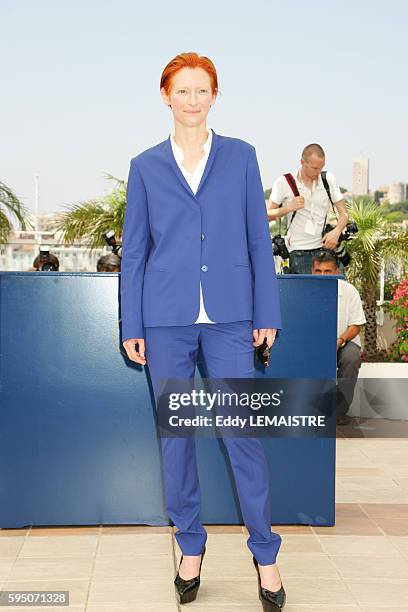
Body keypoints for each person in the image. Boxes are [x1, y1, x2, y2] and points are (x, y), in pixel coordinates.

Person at [120, 52, 286, 610]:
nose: (192, 100)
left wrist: (268, 313)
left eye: (202, 90)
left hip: (231, 318)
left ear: (215, 96)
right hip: (164, 321)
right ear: (165, 96)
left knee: (243, 437)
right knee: (177, 442)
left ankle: (266, 554)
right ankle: (190, 547)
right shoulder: (144, 166)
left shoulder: (242, 158)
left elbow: (258, 241)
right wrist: (132, 322)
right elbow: (135, 251)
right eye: (182, 91)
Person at [268, 144, 349, 274]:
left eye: (321, 167)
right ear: (302, 162)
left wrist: (337, 231)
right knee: (305, 294)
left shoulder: (328, 180)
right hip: (298, 253)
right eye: (315, 168)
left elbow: (344, 214)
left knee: (333, 293)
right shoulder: (284, 182)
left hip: (325, 251)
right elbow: (266, 215)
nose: (318, 172)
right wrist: (288, 208)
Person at [311, 250, 366, 426]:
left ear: (336, 272)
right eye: (318, 271)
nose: (322, 275)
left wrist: (340, 340)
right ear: (312, 271)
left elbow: (356, 325)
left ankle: (339, 412)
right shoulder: (306, 290)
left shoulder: (349, 291)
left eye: (327, 271)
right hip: (314, 343)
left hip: (343, 342)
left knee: (351, 357)